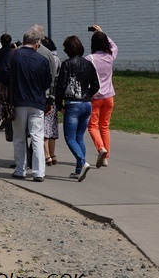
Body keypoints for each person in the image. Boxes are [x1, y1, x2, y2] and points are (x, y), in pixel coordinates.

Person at [9, 26, 53, 182]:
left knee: (19, 137)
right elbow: (47, 82)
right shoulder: (42, 59)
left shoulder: (14, 56)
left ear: (23, 41)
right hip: (37, 102)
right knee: (37, 136)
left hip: (18, 101)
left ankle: (20, 169)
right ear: (37, 44)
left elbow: (3, 75)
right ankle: (39, 172)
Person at [54, 35, 100, 181]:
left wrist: (58, 104)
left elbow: (60, 86)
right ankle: (79, 168)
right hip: (86, 104)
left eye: (65, 47)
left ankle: (82, 161)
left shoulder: (66, 64)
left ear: (69, 49)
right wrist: (87, 95)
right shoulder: (88, 64)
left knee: (70, 138)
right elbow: (96, 85)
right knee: (80, 137)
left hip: (72, 104)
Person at [87, 25, 118, 168]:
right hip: (109, 96)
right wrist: (101, 32)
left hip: (95, 96)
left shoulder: (90, 59)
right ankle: (106, 158)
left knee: (92, 126)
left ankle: (101, 149)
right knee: (105, 126)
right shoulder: (110, 56)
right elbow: (113, 45)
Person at [39, 38, 61, 166]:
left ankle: (46, 155)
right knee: (52, 128)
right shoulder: (58, 59)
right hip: (55, 96)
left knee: (43, 128)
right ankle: (53, 154)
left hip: (46, 96)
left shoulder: (46, 58)